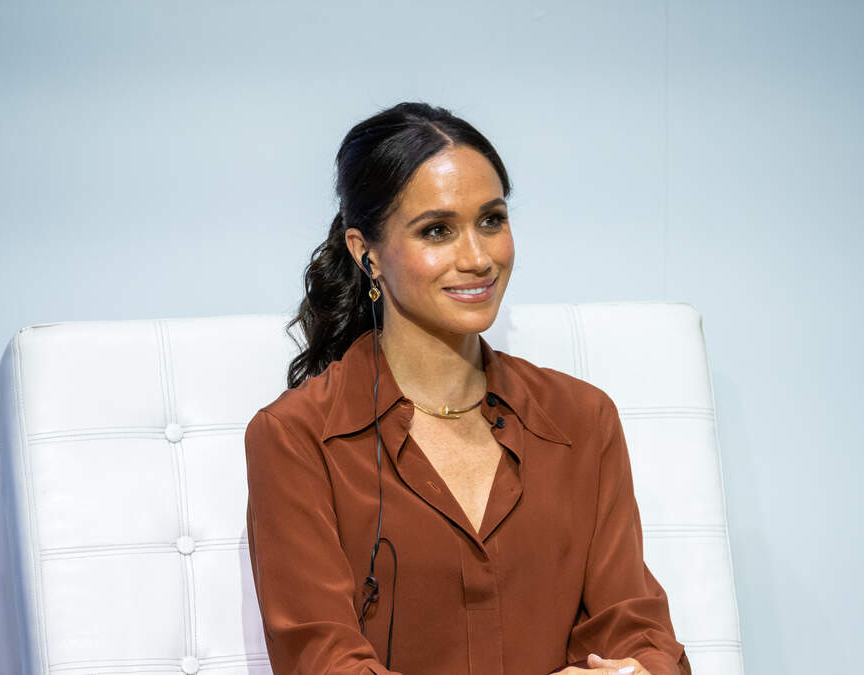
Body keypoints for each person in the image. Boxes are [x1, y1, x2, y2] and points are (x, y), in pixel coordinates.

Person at [243, 102, 691, 675]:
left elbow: (635, 628)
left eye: (492, 220)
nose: (479, 258)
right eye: (437, 230)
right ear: (365, 253)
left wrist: (639, 670)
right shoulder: (295, 437)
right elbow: (323, 660)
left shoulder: (582, 419)